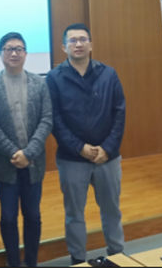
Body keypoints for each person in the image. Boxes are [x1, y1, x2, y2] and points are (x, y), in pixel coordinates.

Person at [46, 23, 126, 265]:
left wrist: (107, 148)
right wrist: (79, 147)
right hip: (72, 158)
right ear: (64, 47)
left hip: (107, 157)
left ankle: (118, 254)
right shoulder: (54, 78)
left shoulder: (108, 74)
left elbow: (119, 112)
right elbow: (54, 119)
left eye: (83, 39)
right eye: (72, 40)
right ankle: (78, 259)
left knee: (111, 209)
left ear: (91, 44)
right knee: (74, 214)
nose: (78, 44)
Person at [0, 32, 53, 267]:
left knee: (33, 215)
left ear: (26, 54)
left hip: (34, 163)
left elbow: (47, 119)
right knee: (8, 217)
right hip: (6, 164)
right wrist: (14, 152)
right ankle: (13, 262)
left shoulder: (39, 83)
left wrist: (28, 153)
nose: (14, 53)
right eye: (9, 49)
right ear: (1, 54)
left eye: (19, 49)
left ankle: (31, 262)